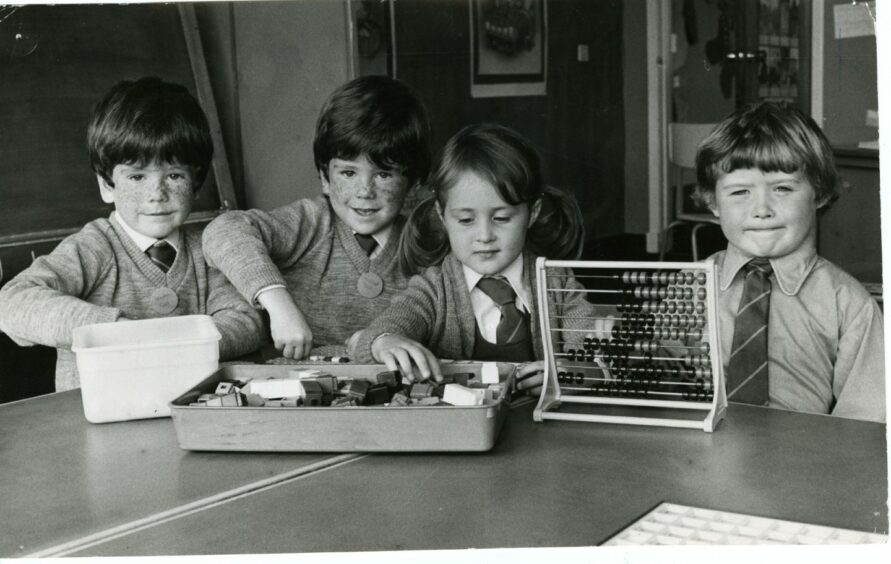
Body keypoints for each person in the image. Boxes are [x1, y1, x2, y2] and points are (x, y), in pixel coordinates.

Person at [0, 77, 264, 391]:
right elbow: (12, 303)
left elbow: (245, 321)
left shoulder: (208, 246)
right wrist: (115, 331)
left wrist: (163, 344)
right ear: (106, 185)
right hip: (98, 420)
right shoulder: (94, 247)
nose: (157, 193)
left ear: (196, 182)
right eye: (137, 176)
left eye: (174, 175)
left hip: (184, 413)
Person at [348, 122, 607, 392]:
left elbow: (594, 357)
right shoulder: (434, 288)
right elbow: (385, 328)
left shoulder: (557, 283)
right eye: (466, 220)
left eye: (502, 218)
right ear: (442, 216)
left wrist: (576, 373)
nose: (484, 235)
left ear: (533, 213)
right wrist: (384, 341)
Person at [202, 75, 431, 360]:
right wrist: (278, 303)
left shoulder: (424, 241)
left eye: (384, 174)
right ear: (324, 177)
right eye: (348, 173)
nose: (365, 191)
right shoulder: (312, 222)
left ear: (413, 183)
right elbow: (224, 229)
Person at [693, 101, 885, 422]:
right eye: (740, 192)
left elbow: (866, 418)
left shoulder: (849, 304)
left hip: (805, 461)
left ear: (820, 193)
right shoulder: (690, 285)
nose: (762, 209)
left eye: (782, 188)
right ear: (713, 202)